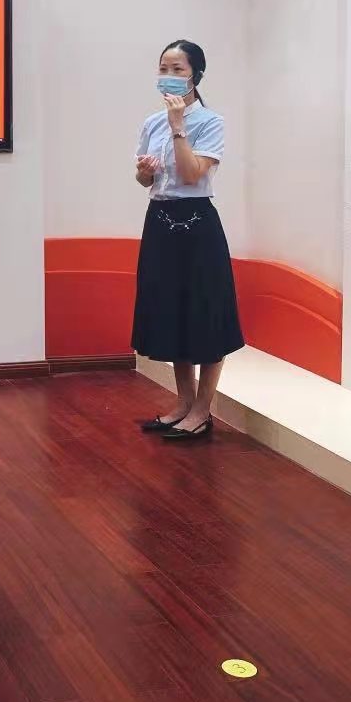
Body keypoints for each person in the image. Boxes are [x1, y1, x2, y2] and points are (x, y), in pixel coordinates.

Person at [133, 39, 244, 440]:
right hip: (160, 222)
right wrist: (146, 171)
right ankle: (182, 403)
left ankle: (202, 410)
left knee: (205, 316)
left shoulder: (210, 122)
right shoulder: (151, 122)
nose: (169, 76)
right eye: (164, 68)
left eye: (178, 69)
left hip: (197, 226)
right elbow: (144, 179)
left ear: (196, 75)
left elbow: (193, 174)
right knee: (173, 314)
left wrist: (178, 127)